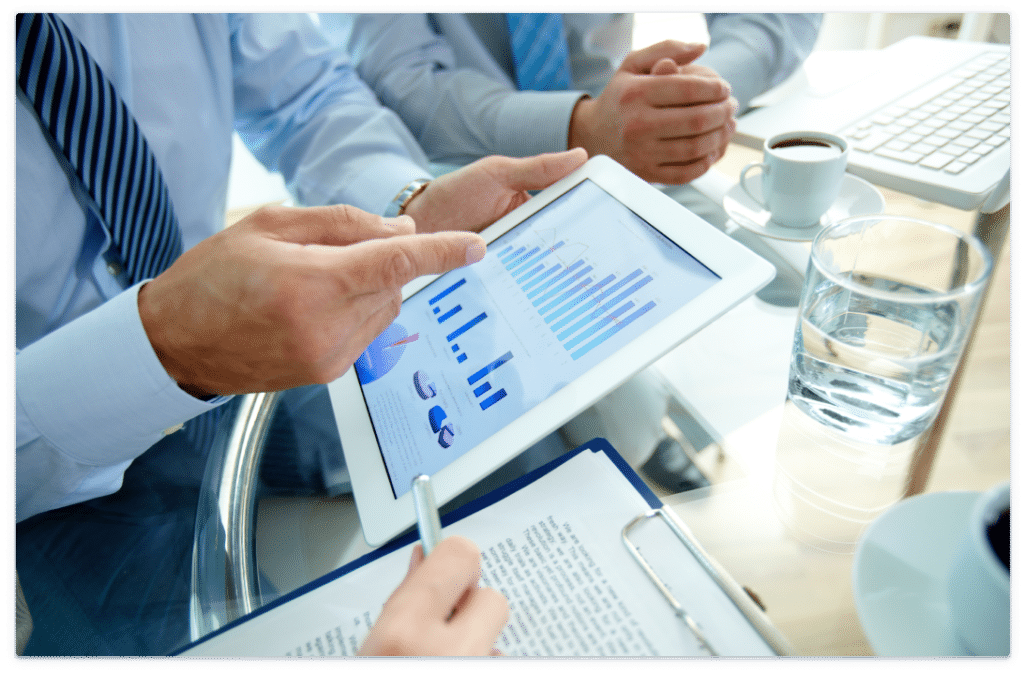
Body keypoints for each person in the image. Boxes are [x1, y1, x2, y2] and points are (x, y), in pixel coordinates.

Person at [13, 10, 585, 657]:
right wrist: (163, 348)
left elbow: (305, 93)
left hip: (250, 347)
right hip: (40, 488)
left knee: (516, 433)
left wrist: (405, 209)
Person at [322, 10, 822, 488]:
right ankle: (647, 438)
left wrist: (689, 98)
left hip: (621, 148)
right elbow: (400, 78)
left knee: (793, 294)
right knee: (621, 419)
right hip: (446, 167)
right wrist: (576, 125)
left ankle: (664, 426)